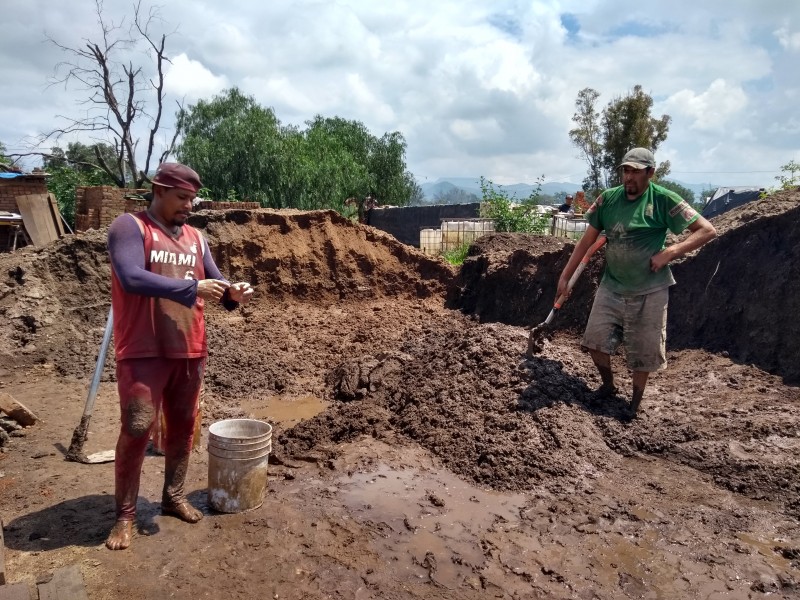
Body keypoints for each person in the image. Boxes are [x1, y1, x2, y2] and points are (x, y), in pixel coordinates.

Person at [105, 162, 254, 550]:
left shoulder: (196, 238)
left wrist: (233, 292)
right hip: (142, 349)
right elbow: (130, 277)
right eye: (181, 197)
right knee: (137, 428)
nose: (189, 205)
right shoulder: (130, 227)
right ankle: (124, 515)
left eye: (192, 198)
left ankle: (173, 497)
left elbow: (214, 284)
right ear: (158, 190)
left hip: (189, 348)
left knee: (183, 427)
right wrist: (192, 289)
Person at [556, 148, 716, 418]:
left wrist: (671, 252)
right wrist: (564, 277)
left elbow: (707, 230)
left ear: (650, 173)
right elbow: (586, 241)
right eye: (625, 171)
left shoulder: (664, 200)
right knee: (595, 343)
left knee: (643, 354)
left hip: (649, 290)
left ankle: (635, 401)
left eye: (635, 172)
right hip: (612, 285)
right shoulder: (608, 200)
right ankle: (608, 385)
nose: (628, 177)